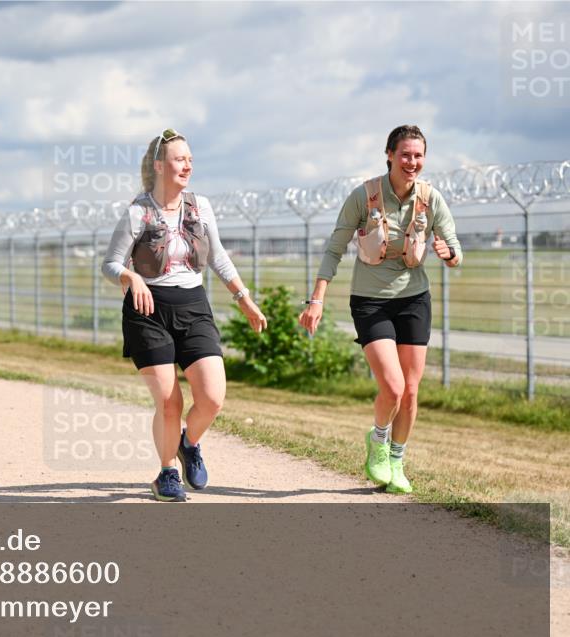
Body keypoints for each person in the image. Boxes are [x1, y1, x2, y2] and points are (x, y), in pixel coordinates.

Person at [102, 129, 267, 502]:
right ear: (160, 166)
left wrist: (244, 299)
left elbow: (219, 256)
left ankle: (188, 444)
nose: (188, 165)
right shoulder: (139, 211)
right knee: (169, 402)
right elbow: (110, 264)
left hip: (193, 305)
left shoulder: (200, 206)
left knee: (212, 397)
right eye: (180, 159)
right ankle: (166, 473)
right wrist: (131, 278)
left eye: (190, 159)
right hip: (148, 310)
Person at [299, 125, 462, 494]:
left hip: (414, 298)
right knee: (393, 385)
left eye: (418, 155)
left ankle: (398, 459)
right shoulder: (364, 196)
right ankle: (378, 440)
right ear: (389, 154)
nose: (412, 162)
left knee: (411, 390)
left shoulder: (430, 199)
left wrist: (448, 254)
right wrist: (317, 298)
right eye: (405, 154)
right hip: (371, 301)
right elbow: (334, 248)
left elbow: (455, 248)